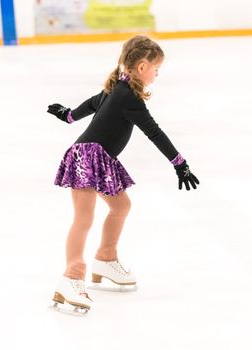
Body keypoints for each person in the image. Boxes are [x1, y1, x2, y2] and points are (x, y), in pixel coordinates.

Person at [47, 35, 199, 313]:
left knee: (121, 206)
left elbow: (91, 104)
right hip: (87, 156)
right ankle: (71, 276)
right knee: (84, 217)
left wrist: (69, 116)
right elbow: (154, 132)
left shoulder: (118, 87)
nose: (157, 73)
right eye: (156, 68)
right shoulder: (127, 96)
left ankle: (105, 257)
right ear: (142, 67)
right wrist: (179, 163)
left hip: (101, 158)